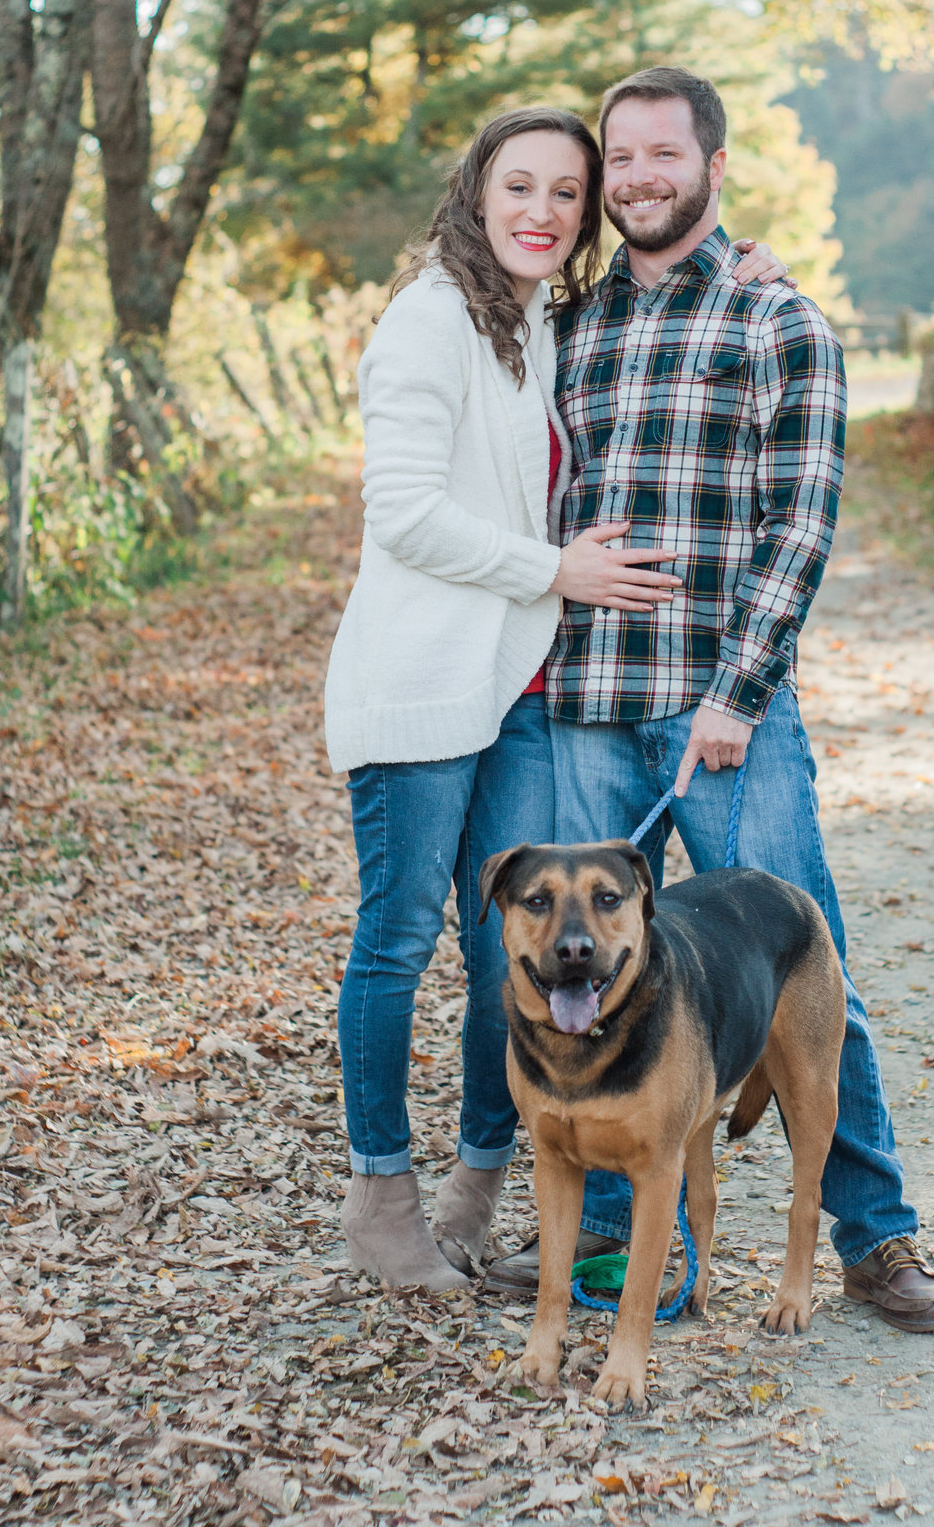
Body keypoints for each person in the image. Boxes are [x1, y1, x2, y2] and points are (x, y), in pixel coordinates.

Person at [482, 68, 934, 1334]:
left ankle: (877, 1237)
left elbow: (797, 530)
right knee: (595, 975)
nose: (636, 177)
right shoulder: (570, 327)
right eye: (619, 158)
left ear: (711, 162)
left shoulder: (777, 321)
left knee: (811, 982)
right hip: (588, 703)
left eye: (661, 155)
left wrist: (740, 693)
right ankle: (612, 1249)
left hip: (722, 721)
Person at [323, 102, 790, 1289]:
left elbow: (676, 291)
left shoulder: (538, 321)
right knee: (396, 942)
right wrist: (558, 570)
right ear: (477, 191)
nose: (543, 211)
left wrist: (744, 256)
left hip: (515, 690)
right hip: (423, 691)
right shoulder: (428, 322)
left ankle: (481, 1186)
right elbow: (404, 514)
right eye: (519, 186)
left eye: (565, 194)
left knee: (513, 950)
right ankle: (382, 1206)